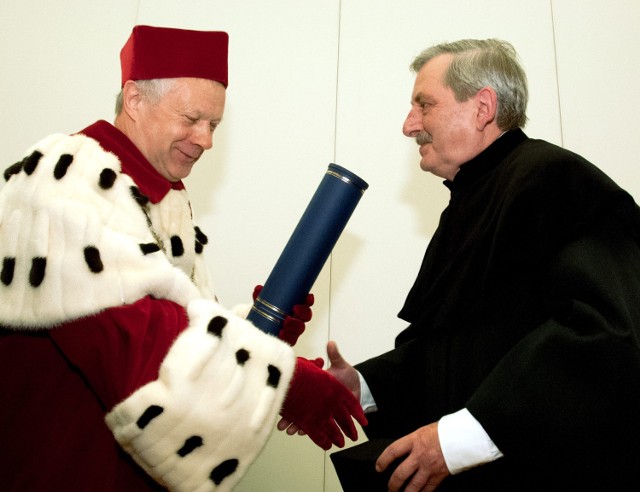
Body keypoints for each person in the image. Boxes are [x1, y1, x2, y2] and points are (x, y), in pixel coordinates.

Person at [0, 25, 365, 491]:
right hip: (58, 465)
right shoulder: (66, 177)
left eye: (214, 124)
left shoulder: (166, 197)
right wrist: (281, 378)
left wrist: (262, 332)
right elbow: (136, 340)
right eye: (192, 118)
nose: (206, 139)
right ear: (134, 100)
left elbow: (181, 322)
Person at [312, 38, 640, 491]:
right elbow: (454, 353)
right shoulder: (471, 199)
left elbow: (606, 331)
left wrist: (465, 435)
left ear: (483, 106)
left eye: (424, 105)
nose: (409, 126)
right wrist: (362, 386)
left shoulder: (555, 177)